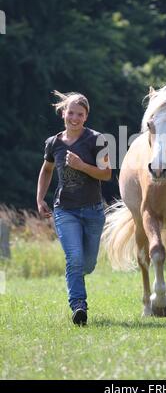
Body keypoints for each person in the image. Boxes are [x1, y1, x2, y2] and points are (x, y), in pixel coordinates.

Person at [36, 91, 111, 325]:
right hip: (65, 210)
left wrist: (81, 165)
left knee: (87, 264)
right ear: (63, 113)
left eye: (80, 114)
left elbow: (106, 174)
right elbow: (47, 170)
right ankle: (79, 306)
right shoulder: (53, 143)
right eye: (71, 113)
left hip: (93, 211)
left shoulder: (97, 140)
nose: (75, 118)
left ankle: (76, 277)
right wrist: (40, 199)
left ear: (86, 116)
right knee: (75, 259)